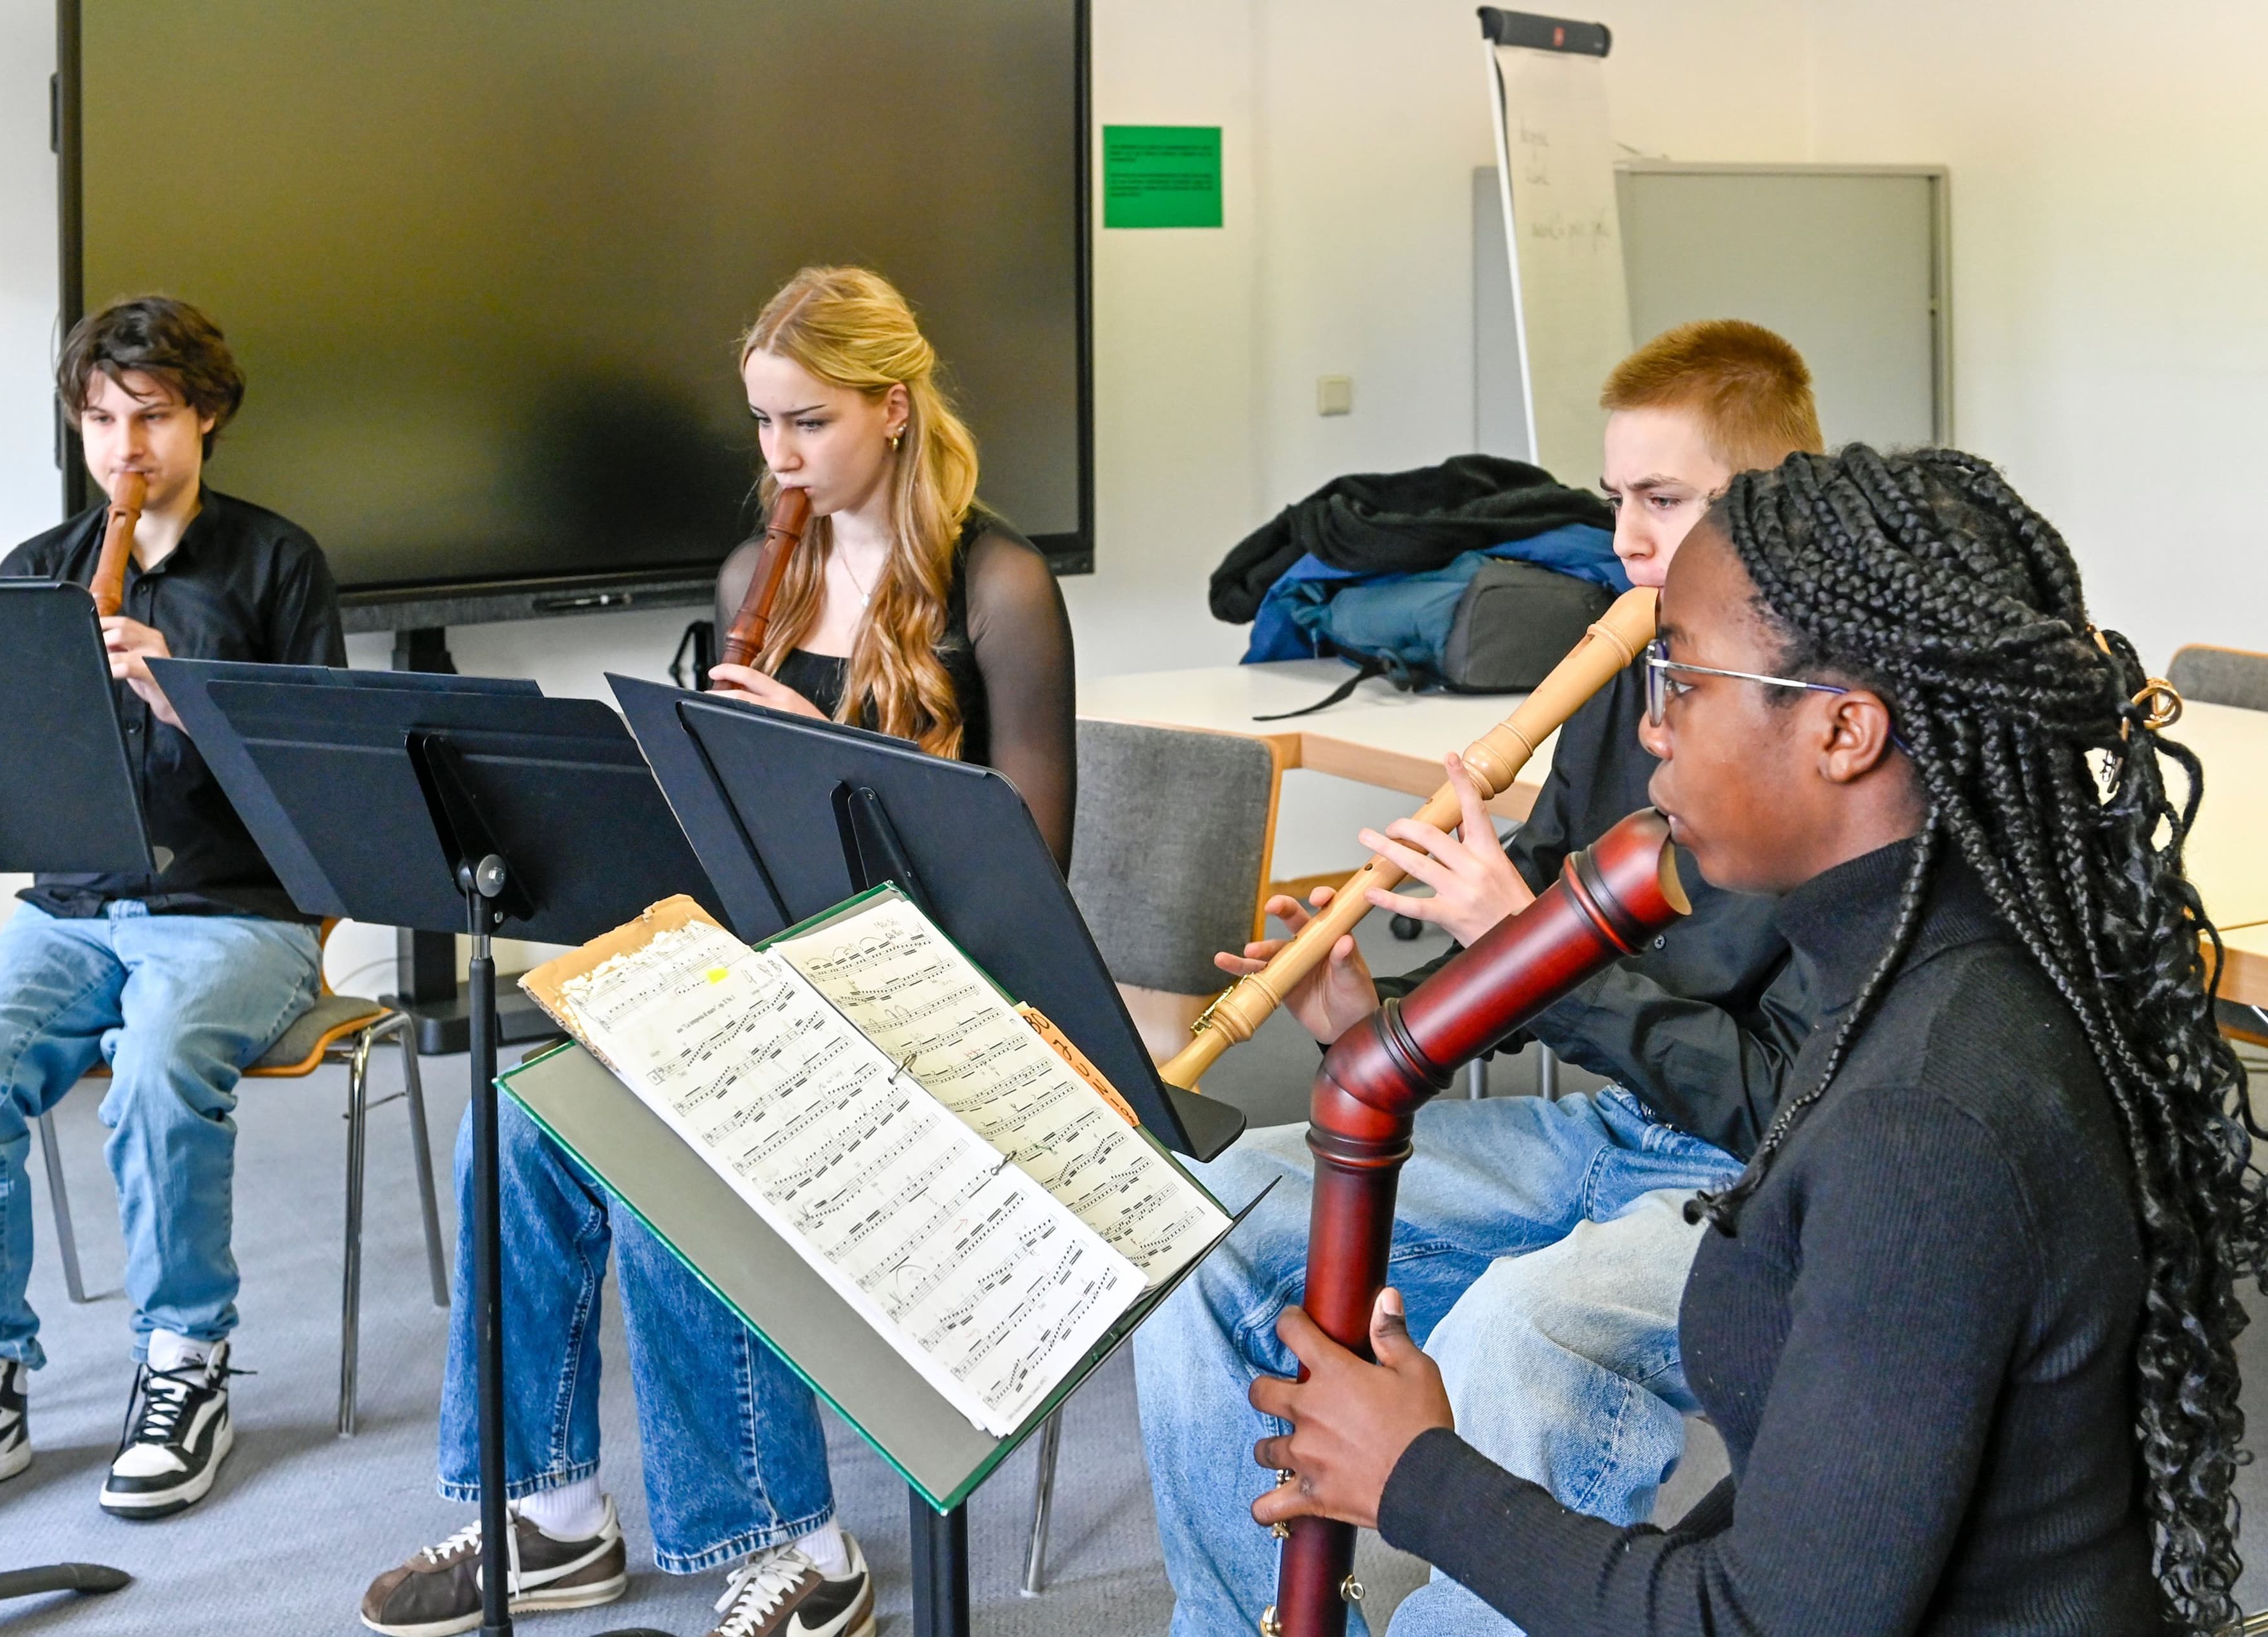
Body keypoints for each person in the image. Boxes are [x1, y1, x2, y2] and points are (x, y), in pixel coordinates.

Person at [1251, 443, 2253, 1633]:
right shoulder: (1909, 980)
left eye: (1681, 680)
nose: (1655, 731)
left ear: (1844, 733)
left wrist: (1418, 1478)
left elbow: (1763, 1624)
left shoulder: (1927, 1117)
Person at [359, 265, 1075, 1637]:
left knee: (672, 1156)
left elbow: (1022, 875)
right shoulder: (762, 570)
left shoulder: (1001, 585)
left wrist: (822, 761)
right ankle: (551, 1515)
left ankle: (804, 1548)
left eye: (807, 424)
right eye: (761, 424)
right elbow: (719, 838)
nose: (779, 459)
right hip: (770, 976)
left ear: (894, 407)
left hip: (934, 1009)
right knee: (523, 1121)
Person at [1134, 320, 1827, 1637]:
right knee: (1208, 1226)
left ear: (1773, 507)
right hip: (1607, 1132)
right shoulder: (1629, 678)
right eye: (1616, 494)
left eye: (1663, 500)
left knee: (1522, 1326)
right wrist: (1371, 1023)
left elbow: (1782, 1101)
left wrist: (1533, 939)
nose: (1623, 536)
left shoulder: (1845, 732)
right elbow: (1521, 954)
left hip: (1758, 1182)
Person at [0, 297, 343, 1525]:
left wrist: (180, 700)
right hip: (74, 911)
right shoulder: (39, 572)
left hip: (238, 911)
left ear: (207, 418)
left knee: (159, 1069)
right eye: (101, 420)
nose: (125, 449)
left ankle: (186, 1363)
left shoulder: (280, 564)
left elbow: (326, 788)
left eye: (154, 418)